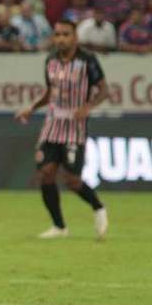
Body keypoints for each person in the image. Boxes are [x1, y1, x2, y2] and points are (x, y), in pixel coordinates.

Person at [15, 19, 108, 240]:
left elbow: (104, 91)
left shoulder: (88, 61)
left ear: (75, 37)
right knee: (46, 173)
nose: (61, 39)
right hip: (52, 124)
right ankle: (59, 226)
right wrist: (32, 108)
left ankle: (98, 207)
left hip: (74, 126)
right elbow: (50, 93)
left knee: (72, 180)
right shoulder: (50, 60)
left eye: (66, 34)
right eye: (57, 35)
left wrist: (88, 106)